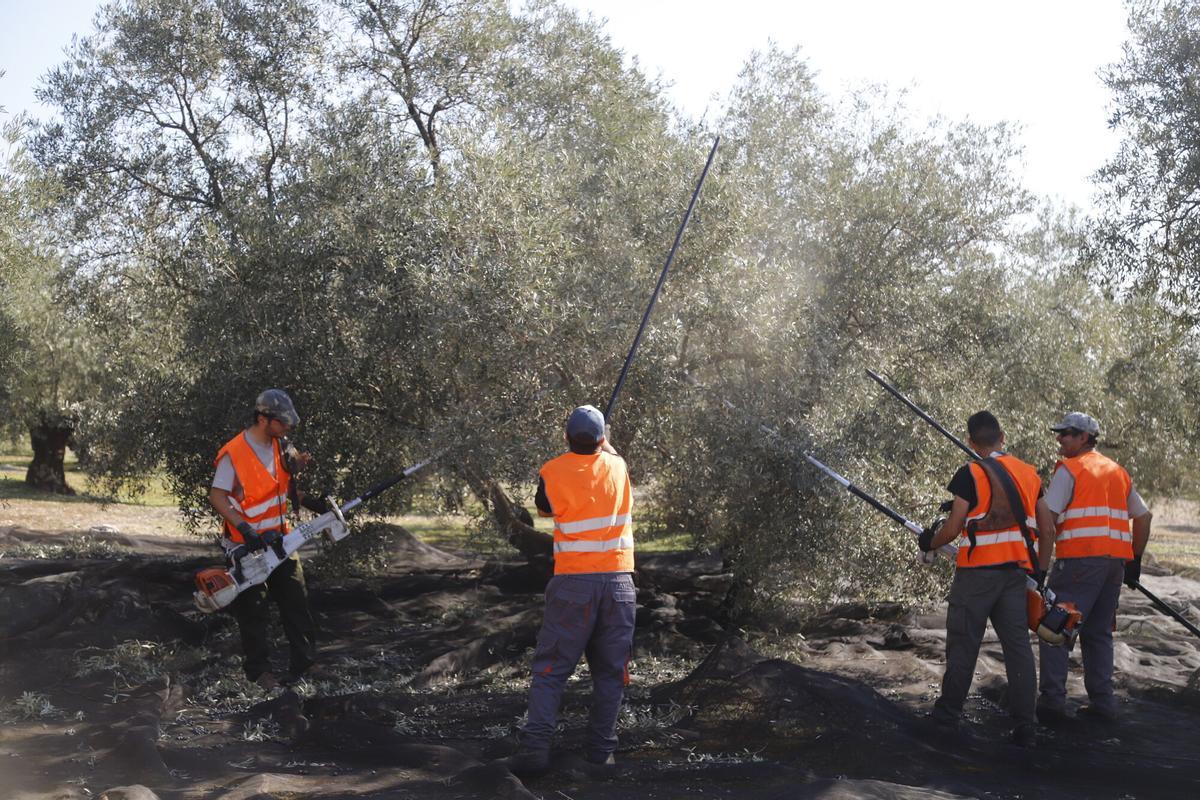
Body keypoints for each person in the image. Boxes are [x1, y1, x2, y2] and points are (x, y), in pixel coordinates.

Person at [508, 405, 637, 777]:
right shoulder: (619, 467)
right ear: (602, 438)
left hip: (573, 586)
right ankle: (601, 753)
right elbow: (612, 460)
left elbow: (544, 508)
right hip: (619, 585)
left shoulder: (552, 472)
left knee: (551, 670)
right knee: (610, 675)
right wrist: (605, 446)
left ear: (566, 437)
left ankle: (535, 749)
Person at [918, 411, 1058, 747]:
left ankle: (947, 718)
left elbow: (953, 527)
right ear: (1002, 437)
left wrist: (929, 542)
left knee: (964, 644)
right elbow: (1048, 529)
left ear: (970, 441)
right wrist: (1040, 572)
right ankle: (1026, 726)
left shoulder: (970, 472)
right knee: (1018, 649)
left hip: (976, 576)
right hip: (1015, 576)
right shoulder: (1029, 474)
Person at [208, 389, 329, 690]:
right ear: (263, 419)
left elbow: (280, 489)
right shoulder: (234, 454)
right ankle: (259, 674)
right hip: (246, 545)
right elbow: (217, 496)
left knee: (296, 601)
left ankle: (305, 663)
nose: (287, 427)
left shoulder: (281, 446)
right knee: (254, 610)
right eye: (282, 422)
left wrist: (310, 501)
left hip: (281, 541)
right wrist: (244, 529)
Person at [1037, 412, 1152, 723]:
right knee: (1098, 633)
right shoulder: (1117, 471)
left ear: (1084, 438)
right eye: (1059, 433)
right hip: (1114, 566)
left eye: (1066, 433)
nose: (1059, 438)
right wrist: (1134, 560)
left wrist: (1037, 561)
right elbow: (1143, 517)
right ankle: (1103, 704)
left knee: (1055, 628)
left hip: (1079, 562)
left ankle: (1052, 703)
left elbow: (1047, 519)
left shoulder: (1070, 470)